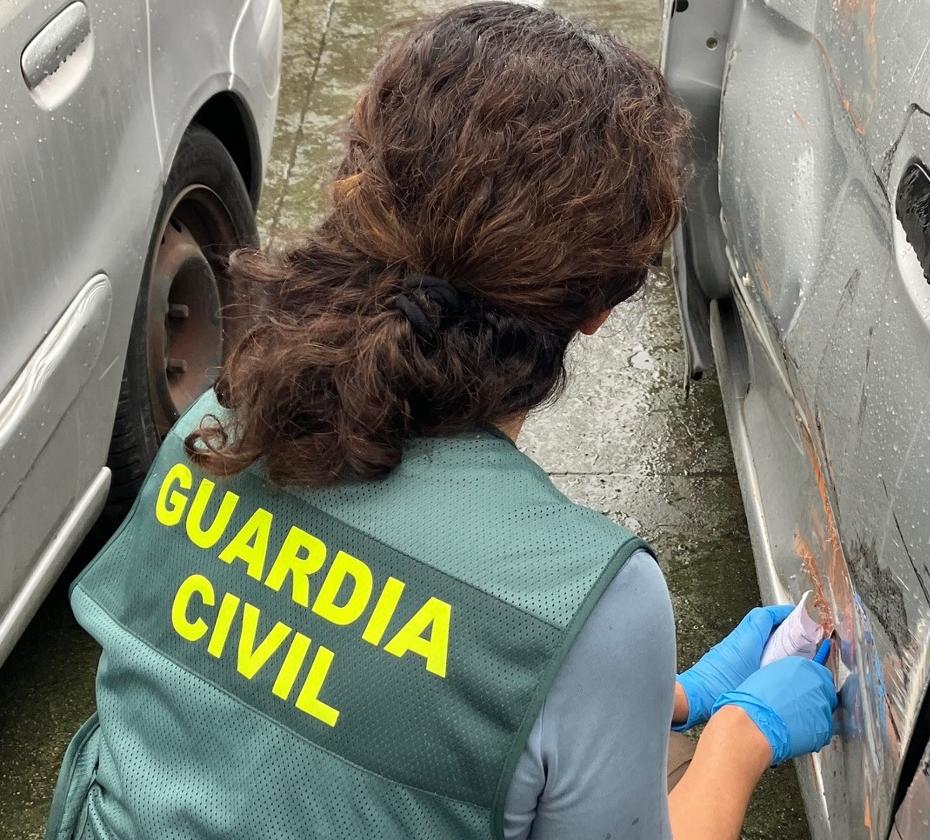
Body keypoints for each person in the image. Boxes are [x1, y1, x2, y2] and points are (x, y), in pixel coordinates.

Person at [45, 4, 837, 839]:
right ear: (600, 305)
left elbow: (327, 708)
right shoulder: (589, 602)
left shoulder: (225, 425)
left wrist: (660, 698)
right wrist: (738, 741)